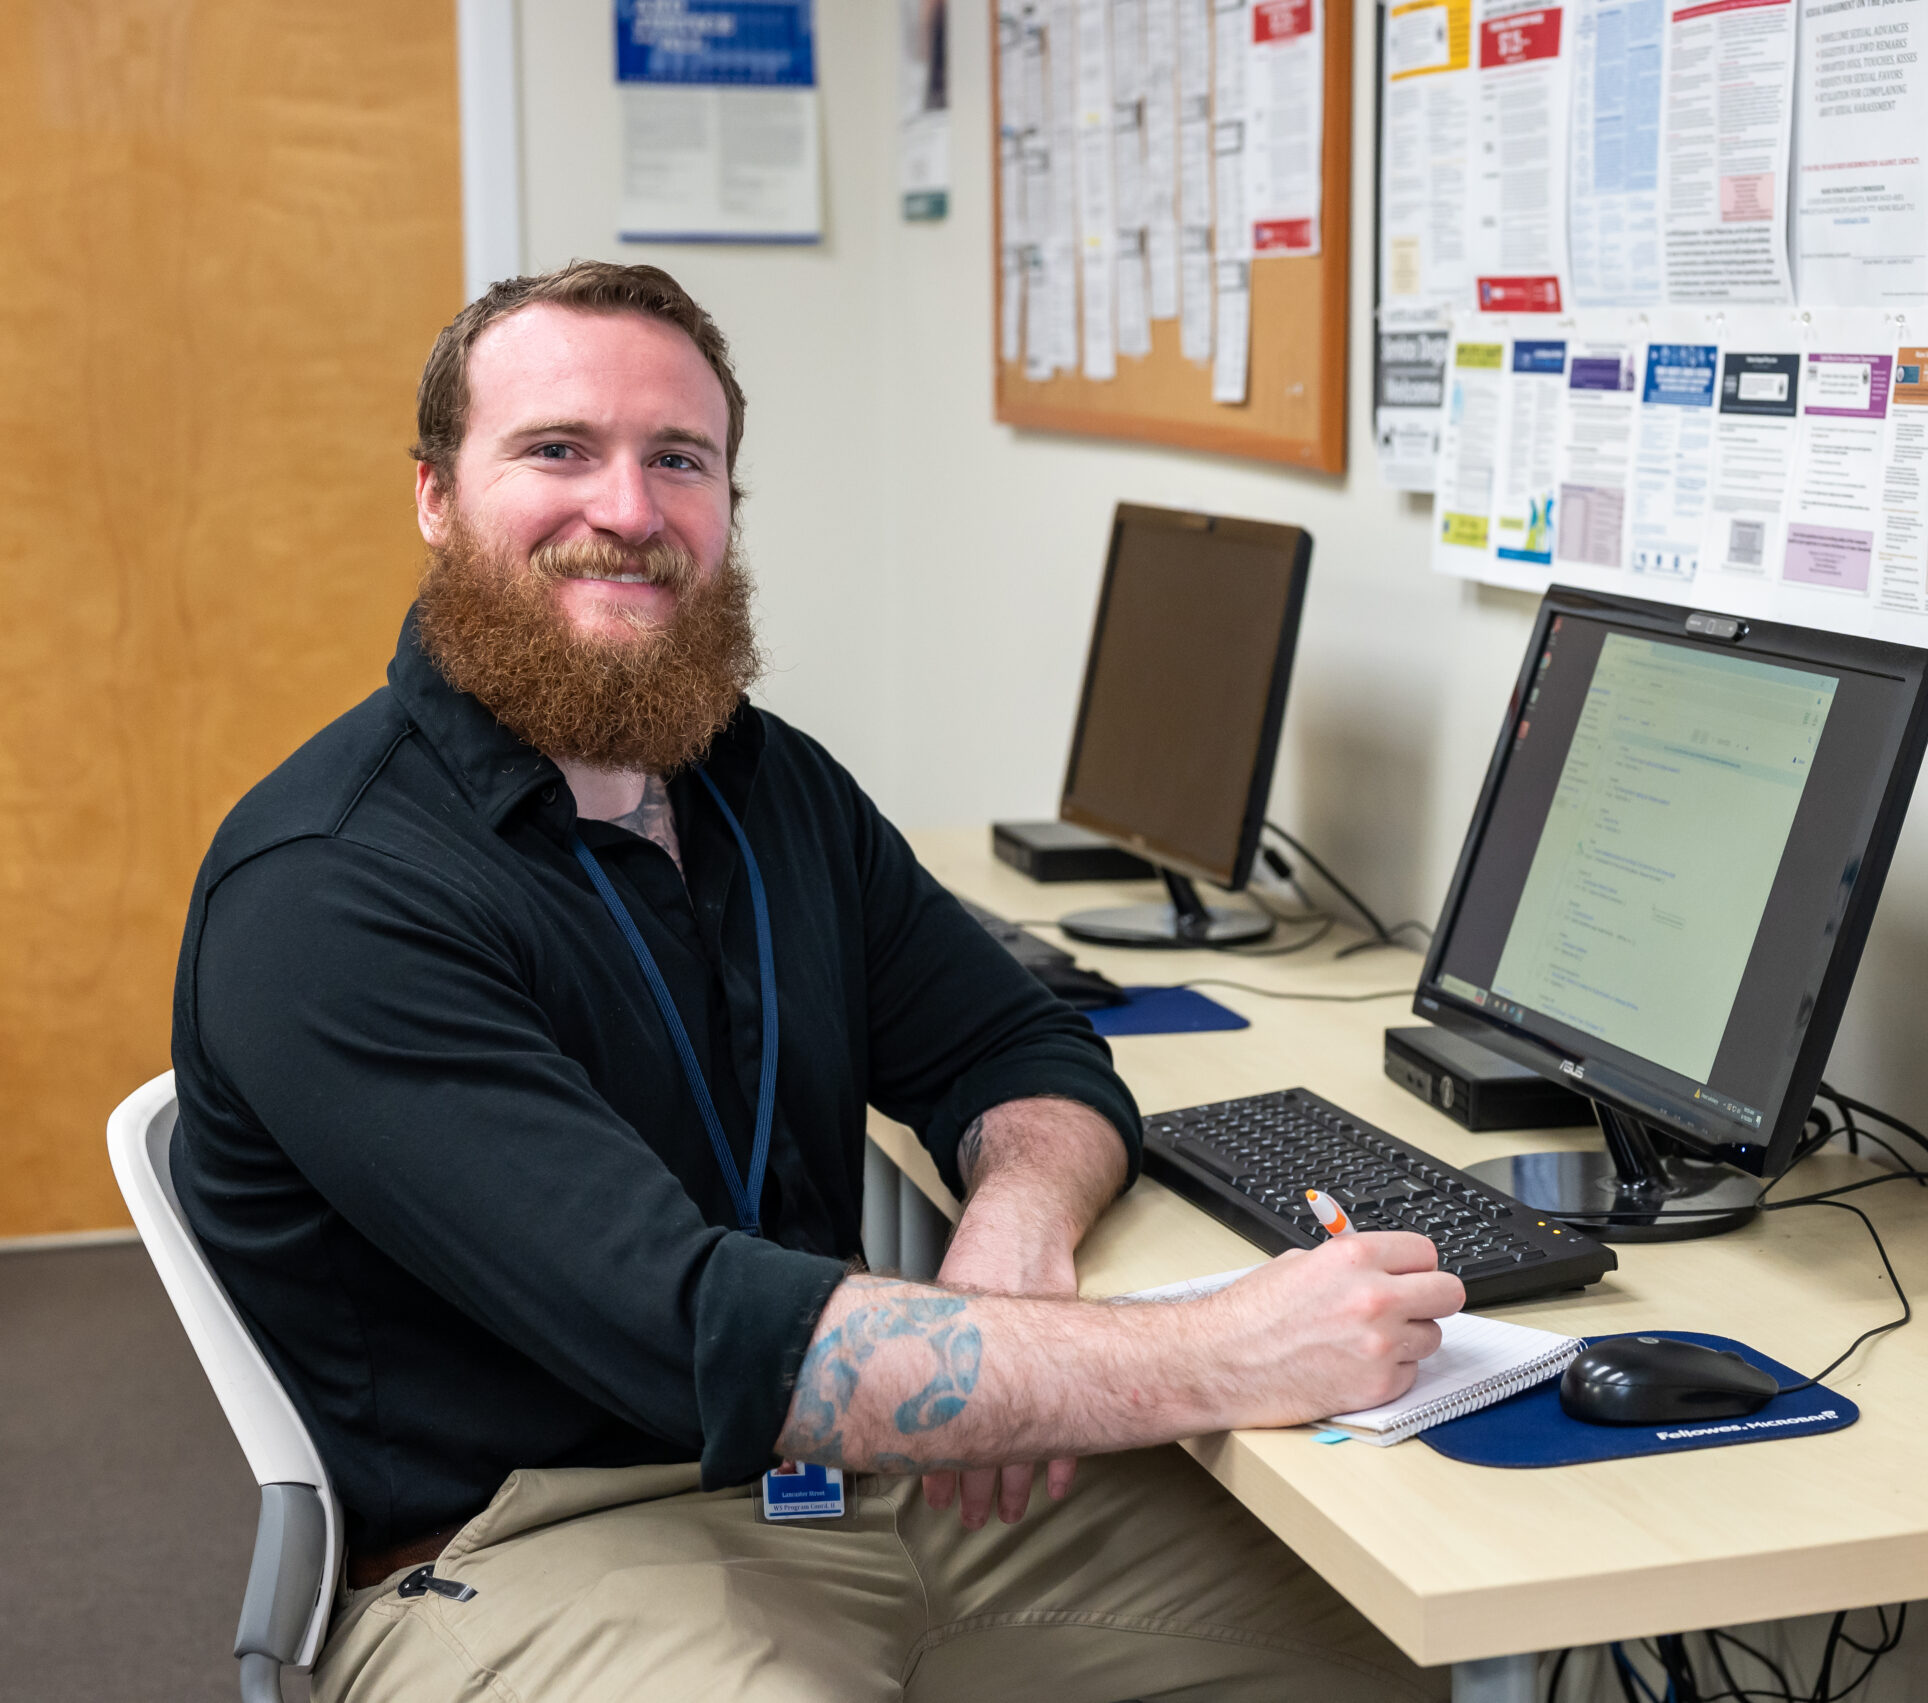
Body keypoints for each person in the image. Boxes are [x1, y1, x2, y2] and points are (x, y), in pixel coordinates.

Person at [171, 260, 1462, 1703]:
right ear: (433, 495)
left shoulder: (760, 785)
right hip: (528, 1542)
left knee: (1381, 1654)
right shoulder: (329, 889)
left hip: (853, 1488)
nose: (628, 511)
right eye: (557, 451)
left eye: (680, 460)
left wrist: (1017, 1231)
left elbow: (1030, 1051)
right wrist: (1221, 1354)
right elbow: (695, 1334)